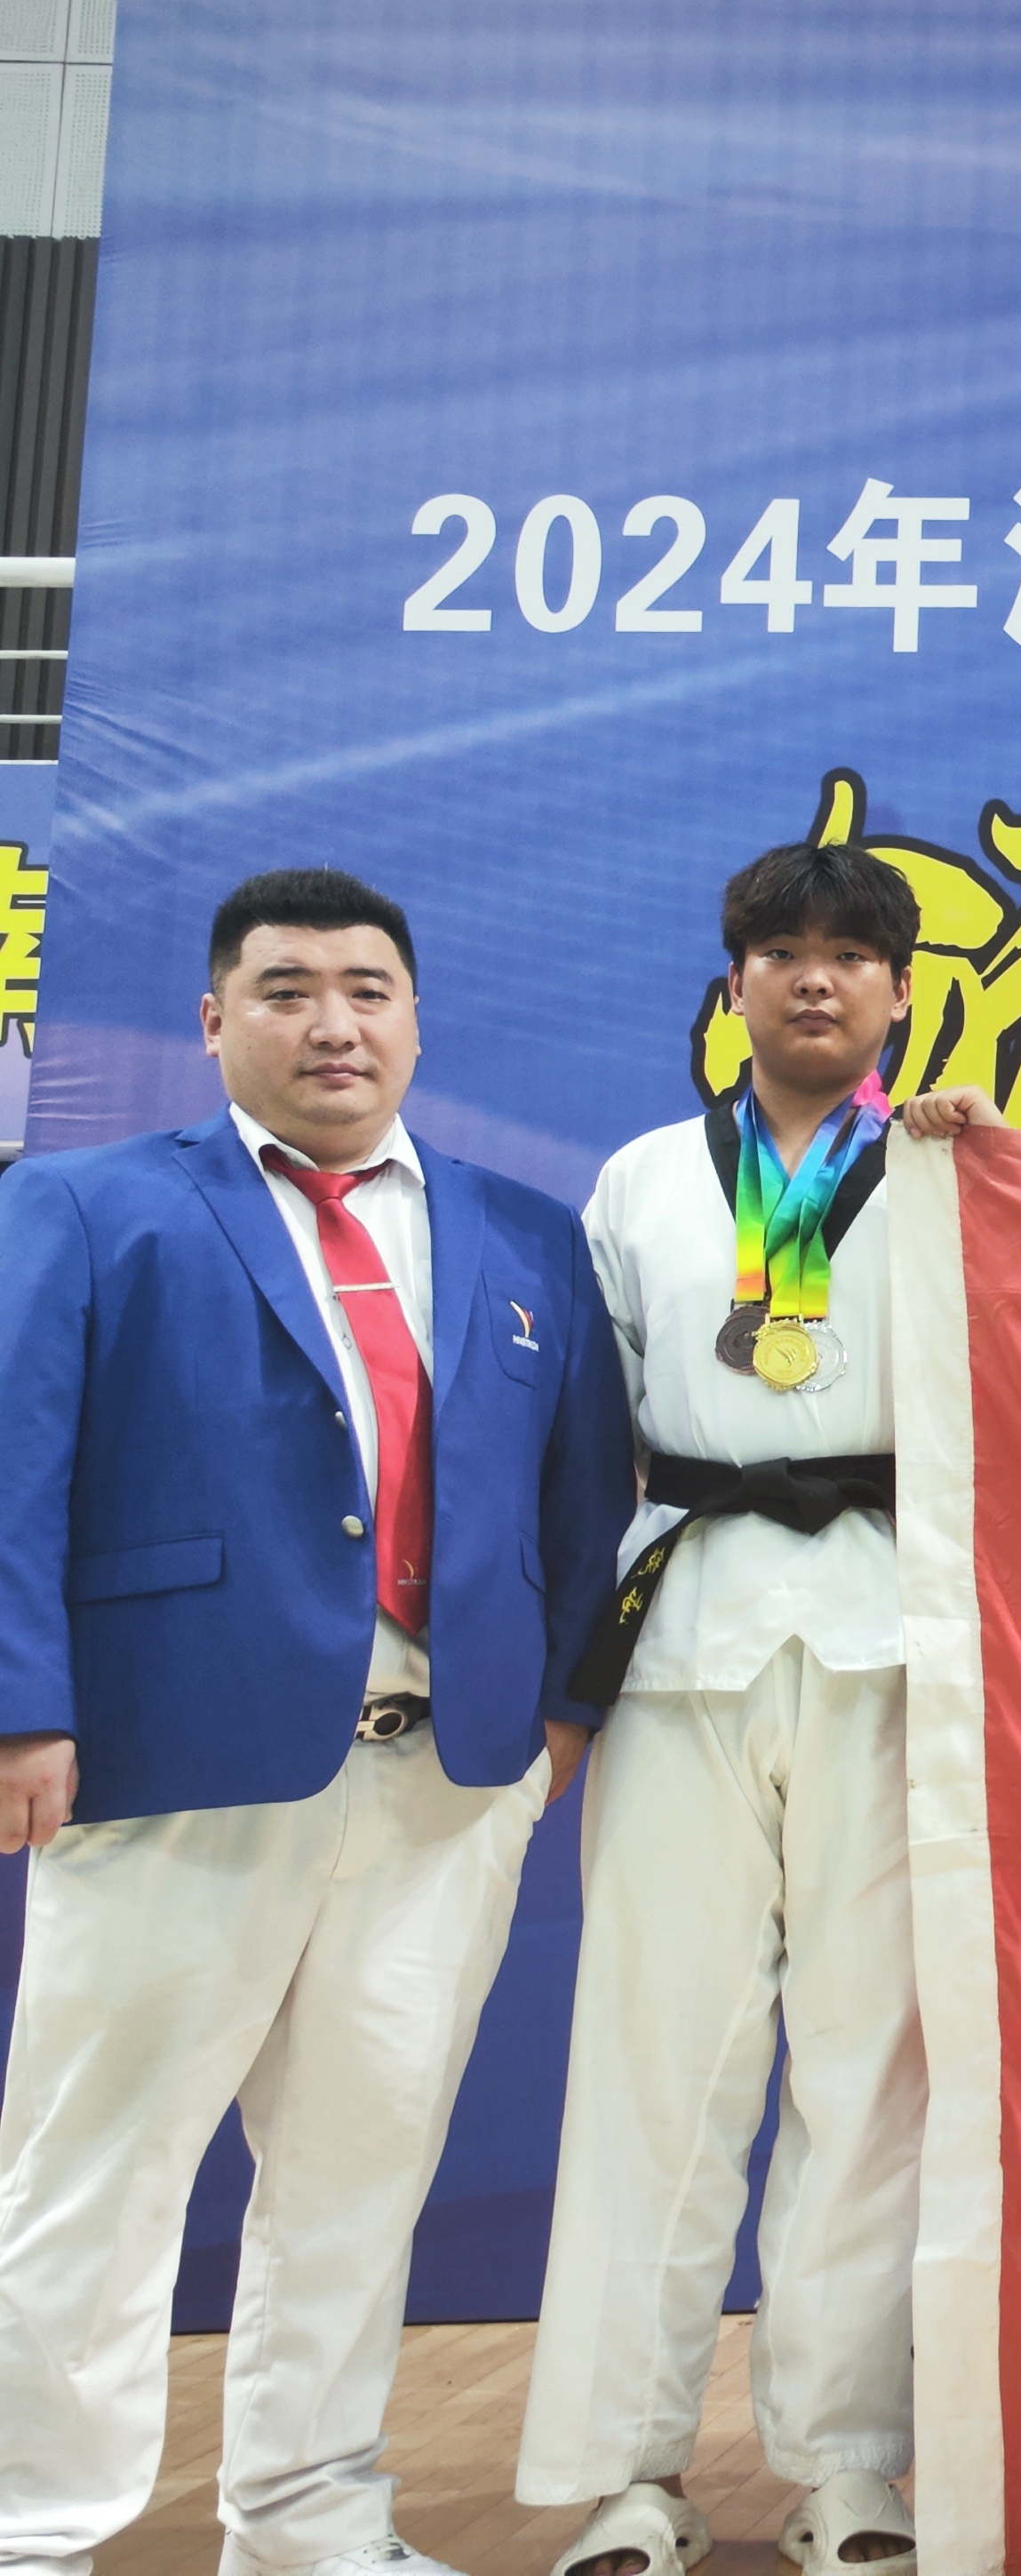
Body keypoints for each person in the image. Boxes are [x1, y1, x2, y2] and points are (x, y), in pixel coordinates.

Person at [0, 868, 631, 2576]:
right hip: (172, 1759)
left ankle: (309, 2520)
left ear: (416, 1020)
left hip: (449, 1776)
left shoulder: (525, 1234)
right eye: (287, 990)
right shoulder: (85, 1206)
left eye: (367, 989)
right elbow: (12, 1464)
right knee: (94, 2166)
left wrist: (563, 1710)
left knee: (362, 2170)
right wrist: (20, 1705)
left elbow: (586, 1500)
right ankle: (34, 2527)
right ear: (216, 1020)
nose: (332, 1023)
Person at [516, 843, 927, 2576]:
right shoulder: (637, 1183)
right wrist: (561, 1682)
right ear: (734, 981)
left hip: (895, 1642)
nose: (816, 979)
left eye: (850, 955)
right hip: (680, 1636)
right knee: (656, 2060)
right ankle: (628, 2472)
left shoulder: (957, 1172)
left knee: (872, 2070)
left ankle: (854, 2466)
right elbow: (574, 1442)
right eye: (784, 952)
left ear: (899, 991)